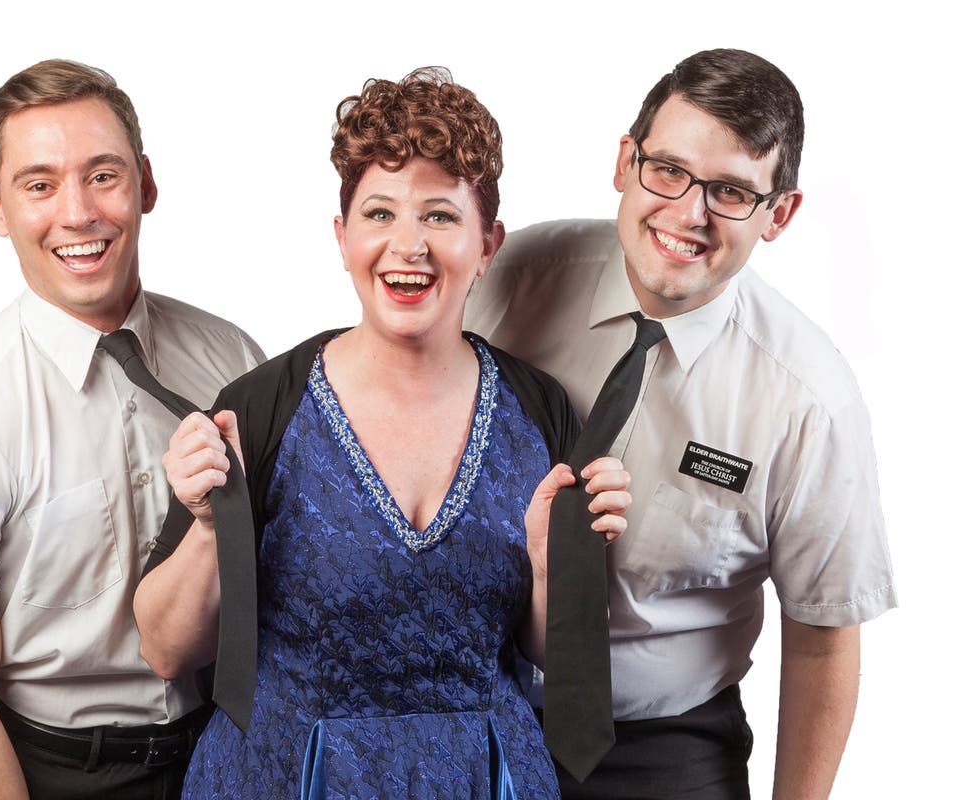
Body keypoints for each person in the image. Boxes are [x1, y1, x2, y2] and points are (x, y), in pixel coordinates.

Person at [133, 68, 629, 798]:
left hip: (483, 780)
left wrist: (555, 571)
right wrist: (210, 529)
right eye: (379, 213)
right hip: (284, 776)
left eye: (440, 216)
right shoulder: (261, 407)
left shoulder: (540, 411)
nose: (408, 245)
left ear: (487, 245)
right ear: (343, 238)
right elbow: (166, 651)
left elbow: (556, 657)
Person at [466, 49, 897, 799]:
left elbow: (823, 640)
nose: (688, 214)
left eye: (731, 191)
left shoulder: (810, 402)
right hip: (466, 713)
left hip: (661, 751)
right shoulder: (514, 276)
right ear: (625, 162)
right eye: (668, 170)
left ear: (779, 214)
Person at [0, 59, 263, 799]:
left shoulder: (233, 360)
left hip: (228, 750)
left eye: (103, 176)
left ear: (146, 184)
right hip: (57, 773)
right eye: (40, 185)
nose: (78, 213)